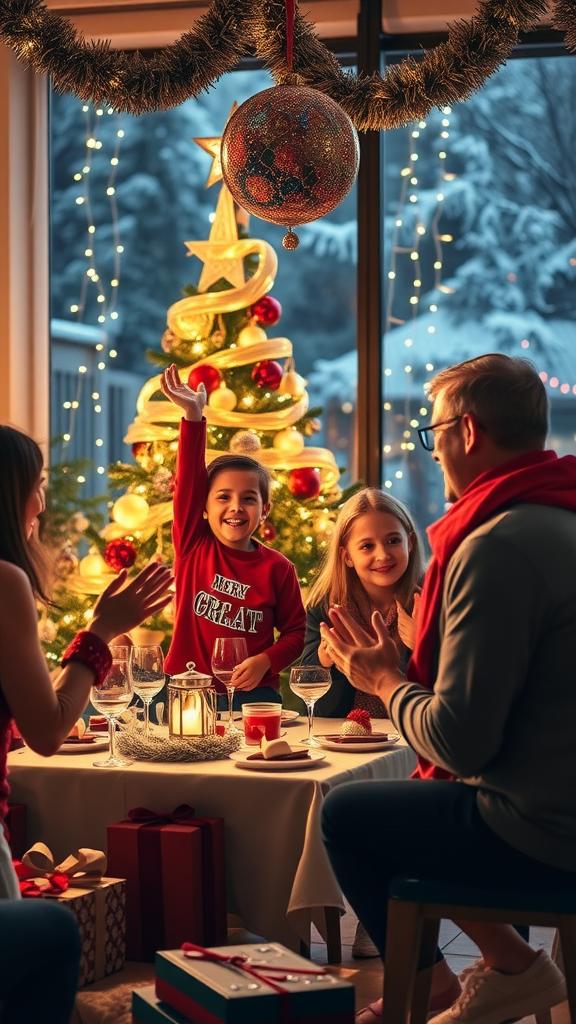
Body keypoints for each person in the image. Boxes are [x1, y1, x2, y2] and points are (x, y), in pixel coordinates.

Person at [320, 354, 575, 1024]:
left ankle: (456, 980)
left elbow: (460, 745)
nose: (432, 453)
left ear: (466, 432)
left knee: (347, 815)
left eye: (431, 435)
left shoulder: (498, 545)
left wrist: (382, 679)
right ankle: (511, 965)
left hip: (545, 832)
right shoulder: (560, 516)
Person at [0, 422, 174, 902]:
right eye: (35, 488)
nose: (41, 504)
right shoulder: (5, 582)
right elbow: (48, 731)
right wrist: (100, 633)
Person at [160, 365, 306, 707]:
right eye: (223, 497)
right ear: (204, 507)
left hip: (255, 695)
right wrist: (194, 419)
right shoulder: (192, 545)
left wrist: (266, 661)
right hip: (187, 691)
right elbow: (188, 486)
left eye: (249, 499)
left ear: (264, 509)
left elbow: (297, 633)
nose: (235, 507)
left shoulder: (278, 568)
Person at [302, 487, 424, 719]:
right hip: (344, 737)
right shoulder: (324, 608)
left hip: (414, 733)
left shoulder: (434, 599)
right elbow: (310, 699)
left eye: (393, 541)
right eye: (367, 546)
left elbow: (459, 688)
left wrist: (426, 644)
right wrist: (325, 657)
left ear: (410, 543)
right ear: (347, 556)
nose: (383, 555)